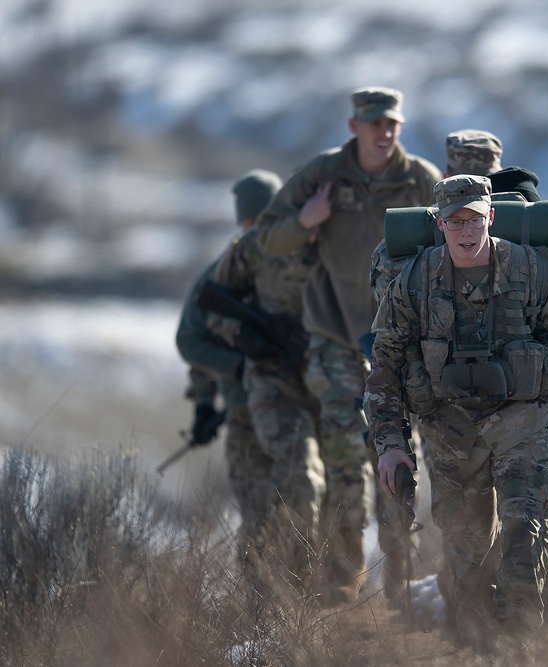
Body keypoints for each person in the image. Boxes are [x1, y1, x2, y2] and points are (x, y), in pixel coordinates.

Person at [366, 175, 548, 644]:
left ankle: (525, 642)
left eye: (475, 219)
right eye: (455, 221)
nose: (467, 231)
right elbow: (385, 367)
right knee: (466, 550)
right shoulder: (413, 281)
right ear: (440, 223)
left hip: (523, 419)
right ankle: (476, 643)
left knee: (523, 529)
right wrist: (391, 445)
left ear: (491, 217)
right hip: (449, 428)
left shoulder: (532, 271)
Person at [255, 86, 442, 602]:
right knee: (343, 461)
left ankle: (401, 580)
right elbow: (268, 238)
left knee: (398, 456)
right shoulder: (323, 175)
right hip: (335, 339)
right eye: (375, 124)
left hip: (399, 344)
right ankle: (343, 579)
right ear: (355, 126)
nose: (385, 133)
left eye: (392, 125)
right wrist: (305, 221)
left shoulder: (419, 180)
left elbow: (459, 238)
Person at [205, 169, 325, 590]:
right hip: (273, 384)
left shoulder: (339, 247)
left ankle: (327, 597)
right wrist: (247, 337)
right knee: (296, 486)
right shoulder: (254, 248)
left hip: (329, 388)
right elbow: (212, 308)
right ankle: (288, 599)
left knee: (341, 500)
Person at [175, 169, 283, 563]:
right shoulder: (221, 274)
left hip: (299, 407)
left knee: (302, 513)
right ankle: (259, 613)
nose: (257, 234)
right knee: (259, 515)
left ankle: (303, 608)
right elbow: (193, 340)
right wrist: (222, 384)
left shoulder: (294, 269)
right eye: (253, 225)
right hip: (246, 412)